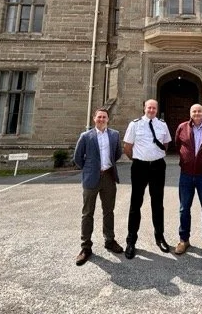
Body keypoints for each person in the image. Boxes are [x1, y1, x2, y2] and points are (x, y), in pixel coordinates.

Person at [73, 108, 124, 266]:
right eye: (99, 117)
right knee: (87, 213)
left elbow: (117, 154)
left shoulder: (114, 135)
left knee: (109, 211)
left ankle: (109, 240)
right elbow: (77, 158)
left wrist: (106, 167)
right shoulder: (86, 136)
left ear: (108, 119)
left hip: (109, 176)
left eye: (104, 117)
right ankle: (86, 247)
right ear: (94, 119)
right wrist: (90, 169)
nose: (102, 119)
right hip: (91, 178)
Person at [122, 99, 172, 259]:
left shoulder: (162, 125)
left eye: (154, 108)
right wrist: (139, 159)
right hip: (139, 167)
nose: (151, 110)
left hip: (158, 167)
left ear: (157, 110)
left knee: (158, 203)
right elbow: (127, 147)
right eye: (149, 107)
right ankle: (131, 241)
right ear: (144, 108)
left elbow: (166, 144)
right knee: (135, 203)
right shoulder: (135, 124)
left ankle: (160, 237)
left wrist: (154, 156)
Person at [174, 104, 202, 257]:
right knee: (184, 208)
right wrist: (186, 161)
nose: (197, 113)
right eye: (194, 111)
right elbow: (177, 145)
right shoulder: (182, 127)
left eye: (199, 111)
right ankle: (183, 240)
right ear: (190, 113)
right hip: (186, 175)